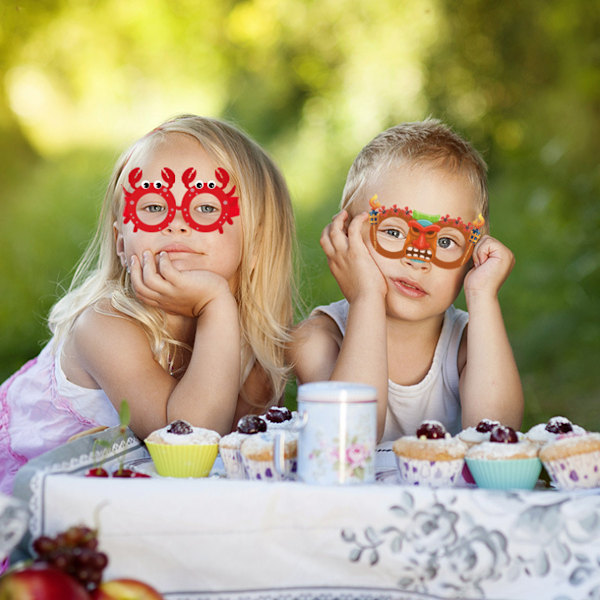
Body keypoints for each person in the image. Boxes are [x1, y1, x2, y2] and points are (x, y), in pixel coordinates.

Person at [0, 114, 296, 494]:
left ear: (256, 242)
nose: (175, 223)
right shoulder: (105, 325)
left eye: (206, 207)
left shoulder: (254, 341)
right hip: (26, 516)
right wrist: (216, 305)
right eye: (153, 206)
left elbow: (239, 458)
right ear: (122, 241)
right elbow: (190, 442)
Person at [288, 119, 523, 442]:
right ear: (345, 234)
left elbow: (497, 439)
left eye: (445, 242)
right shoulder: (317, 340)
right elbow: (352, 441)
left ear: (473, 253)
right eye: (394, 231)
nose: (417, 259)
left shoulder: (470, 344)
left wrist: (482, 295)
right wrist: (367, 296)